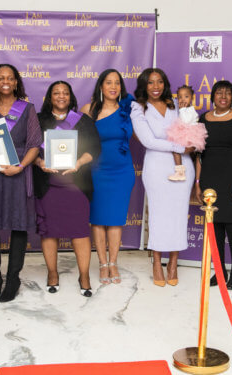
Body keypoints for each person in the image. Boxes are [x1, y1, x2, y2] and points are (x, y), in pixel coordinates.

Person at [0, 64, 42, 303]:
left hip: (17, 174)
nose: (5, 81)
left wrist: (21, 166)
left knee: (18, 227)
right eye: (0, 78)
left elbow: (35, 143)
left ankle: (13, 279)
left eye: (10, 78)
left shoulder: (28, 109)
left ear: (16, 82)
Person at [33, 81, 100, 297]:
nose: (61, 96)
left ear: (71, 97)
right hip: (48, 187)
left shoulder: (83, 121)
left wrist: (79, 162)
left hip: (76, 187)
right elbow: (30, 149)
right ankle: (52, 273)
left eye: (65, 93)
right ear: (49, 97)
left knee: (80, 232)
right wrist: (40, 163)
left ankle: (85, 275)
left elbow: (94, 148)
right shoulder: (39, 120)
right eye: (56, 93)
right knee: (49, 233)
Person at [130, 68, 195, 287]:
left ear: (165, 84)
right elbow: (148, 141)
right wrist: (179, 146)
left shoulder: (175, 104)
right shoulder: (138, 108)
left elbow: (189, 129)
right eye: (150, 83)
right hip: (157, 166)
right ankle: (157, 262)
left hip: (183, 166)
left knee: (178, 214)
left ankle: (173, 262)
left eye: (159, 82)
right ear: (144, 86)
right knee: (158, 215)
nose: (155, 86)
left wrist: (190, 143)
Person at [194, 80, 232, 290]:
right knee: (215, 225)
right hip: (210, 178)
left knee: (231, 224)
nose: (223, 96)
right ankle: (219, 271)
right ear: (213, 96)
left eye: (228, 93)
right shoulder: (203, 118)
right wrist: (198, 183)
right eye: (219, 92)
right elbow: (199, 154)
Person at [81, 69, 135, 285]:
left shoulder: (128, 110)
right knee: (98, 219)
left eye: (117, 83)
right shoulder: (89, 109)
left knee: (115, 220)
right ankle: (102, 264)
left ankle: (113, 262)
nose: (113, 86)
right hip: (96, 171)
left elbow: (146, 135)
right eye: (109, 82)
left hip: (122, 172)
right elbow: (77, 138)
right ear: (101, 86)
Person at [165, 85, 207, 181]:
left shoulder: (191, 110)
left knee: (176, 150)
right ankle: (180, 171)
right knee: (176, 151)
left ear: (192, 98)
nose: (183, 99)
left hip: (189, 134)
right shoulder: (182, 109)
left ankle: (180, 172)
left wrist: (182, 109)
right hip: (184, 132)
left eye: (186, 97)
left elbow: (186, 120)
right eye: (180, 97)